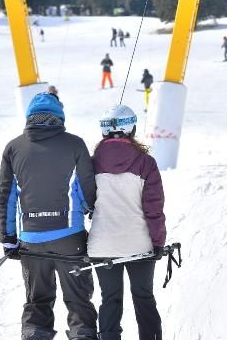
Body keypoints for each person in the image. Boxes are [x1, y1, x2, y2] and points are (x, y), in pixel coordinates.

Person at [0, 92, 98, 340]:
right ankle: (83, 335)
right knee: (78, 300)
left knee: (37, 301)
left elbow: (6, 197)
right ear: (59, 116)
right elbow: (87, 190)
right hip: (70, 239)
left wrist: (8, 238)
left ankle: (34, 334)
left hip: (32, 241)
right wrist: (90, 209)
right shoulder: (75, 144)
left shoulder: (13, 148)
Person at [87, 104, 166, 340]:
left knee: (110, 298)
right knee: (143, 297)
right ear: (131, 128)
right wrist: (158, 242)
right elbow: (154, 208)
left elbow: (84, 200)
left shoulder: (90, 163)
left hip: (102, 245)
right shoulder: (146, 163)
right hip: (139, 244)